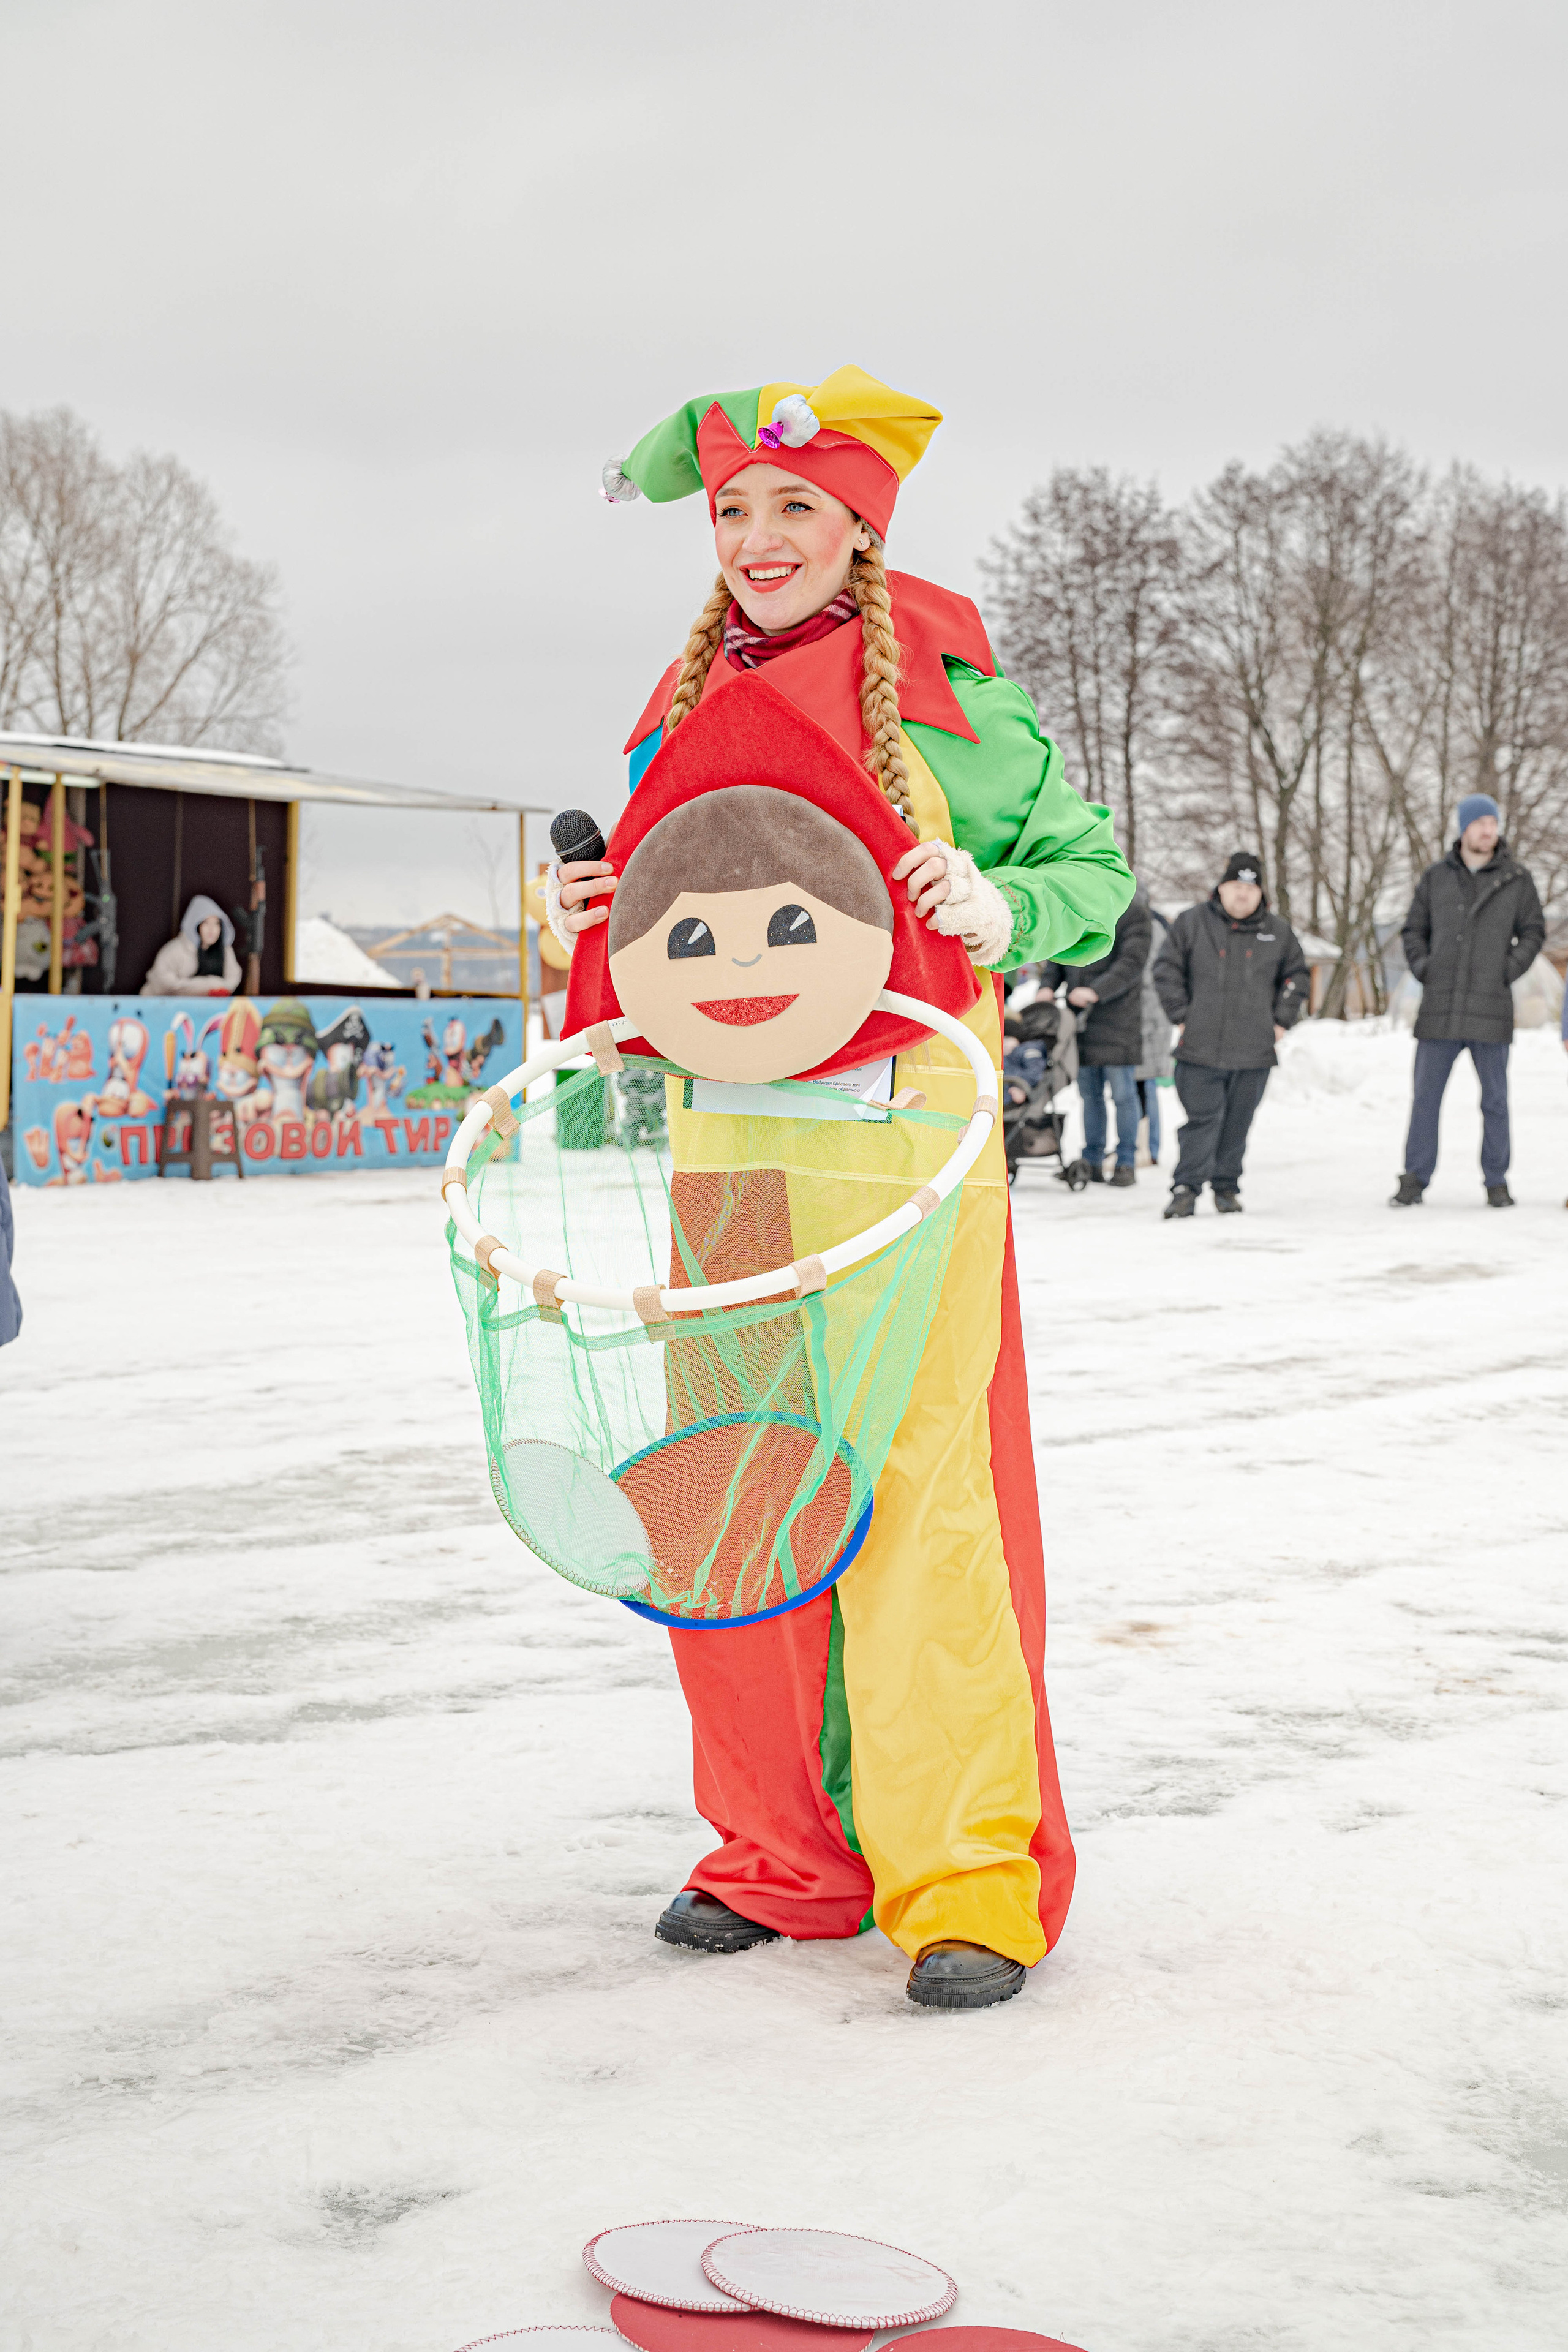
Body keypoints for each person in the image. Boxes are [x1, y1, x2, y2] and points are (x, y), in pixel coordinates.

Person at [552, 367, 1134, 2008]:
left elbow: (1094, 873)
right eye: (734, 510)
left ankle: (959, 1880)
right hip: (732, 1155)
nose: (758, 538)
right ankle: (776, 1853)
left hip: (896, 1155)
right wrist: (594, 919)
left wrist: (1005, 901)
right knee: (734, 1500)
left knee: (913, 1500)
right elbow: (670, 946)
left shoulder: (954, 698)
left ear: (860, 525)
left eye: (794, 505)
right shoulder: (680, 706)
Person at [1391, 794, 1546, 1208]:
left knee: (1494, 1100)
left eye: (1492, 823)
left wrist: (1505, 971)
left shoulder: (1517, 879)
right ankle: (1414, 1178)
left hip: (1491, 1007)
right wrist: (1426, 968)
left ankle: (1496, 1180)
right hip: (1439, 1007)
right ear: (1464, 828)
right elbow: (1412, 930)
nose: (1487, 830)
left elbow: (1533, 932)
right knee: (1426, 1098)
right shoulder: (1436, 877)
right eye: (1479, 823)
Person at [1153, 852, 1308, 1218]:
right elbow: (1166, 970)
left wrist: (1282, 1021)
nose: (1243, 895)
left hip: (1254, 1050)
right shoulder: (1192, 923)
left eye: (1250, 888)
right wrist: (1181, 1016)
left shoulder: (1279, 931)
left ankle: (1226, 1187)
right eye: (1236, 887)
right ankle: (1186, 1188)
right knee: (1202, 1121)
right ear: (1221, 888)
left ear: (1260, 893)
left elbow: (1297, 978)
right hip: (1200, 1047)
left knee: (1238, 1123)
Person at [1042, 888, 1153, 1185]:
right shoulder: (1080, 903)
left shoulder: (1134, 914)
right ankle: (1092, 1160)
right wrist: (1047, 986)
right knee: (1089, 1096)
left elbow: (1132, 962)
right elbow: (1061, 951)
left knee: (1123, 1095)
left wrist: (1096, 991)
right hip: (1080, 1021)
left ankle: (1126, 1162)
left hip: (1119, 1022)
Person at [1136, 903, 1175, 1164]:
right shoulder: (1157, 924)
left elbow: (1152, 975)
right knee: (1141, 1084)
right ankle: (1147, 1148)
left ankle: (1150, 1149)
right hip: (1147, 1016)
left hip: (1150, 1017)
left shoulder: (1152, 928)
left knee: (1146, 1084)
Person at [141, 895, 240, 997]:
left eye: (217, 924)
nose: (212, 929)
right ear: (196, 925)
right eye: (206, 923)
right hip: (159, 1004)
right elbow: (165, 983)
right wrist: (209, 985)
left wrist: (214, 988)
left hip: (202, 1007)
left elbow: (233, 979)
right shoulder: (176, 949)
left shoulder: (225, 950)